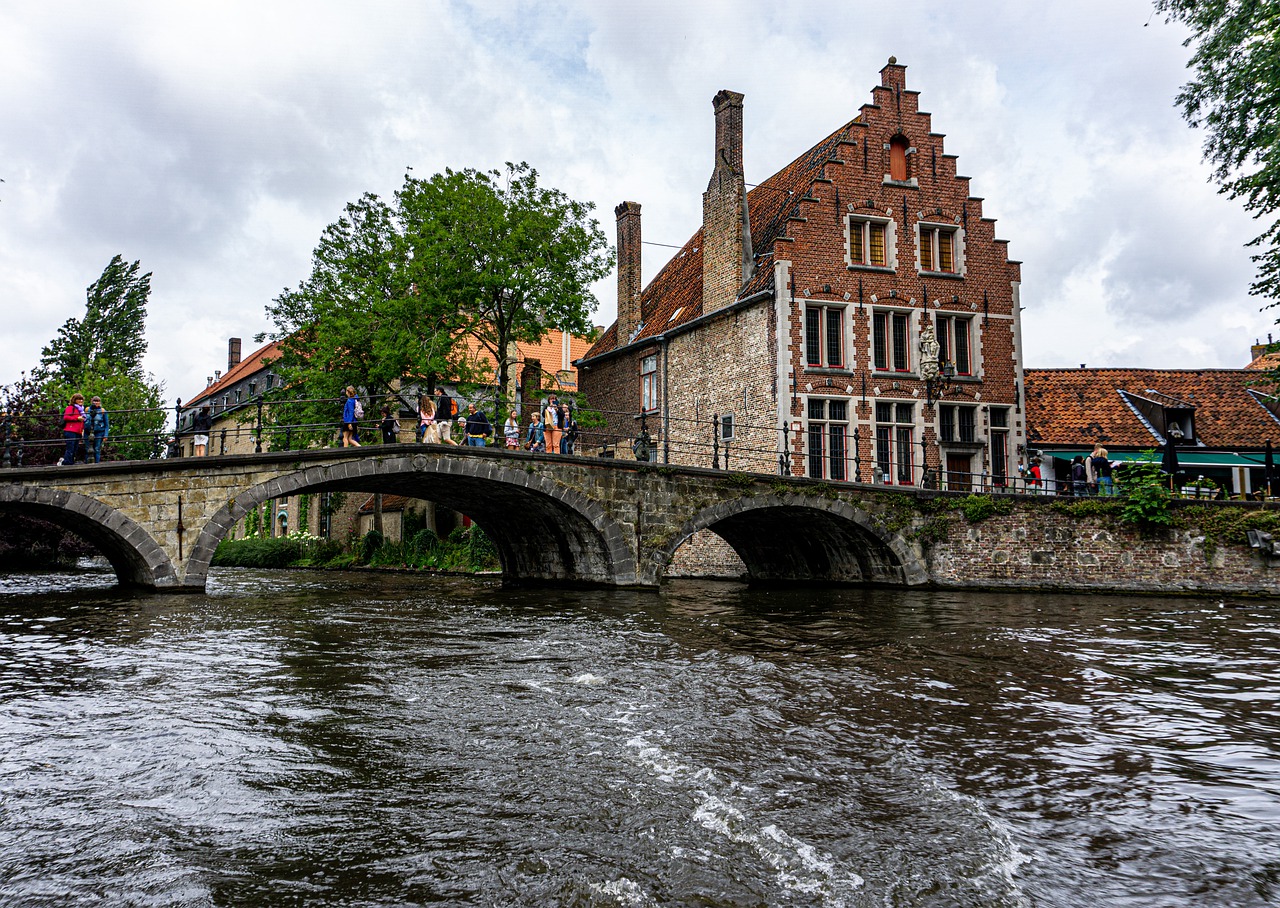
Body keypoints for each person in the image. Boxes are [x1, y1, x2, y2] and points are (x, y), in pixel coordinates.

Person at [60, 393, 86, 465]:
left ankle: (70, 462)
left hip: (78, 431)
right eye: (78, 399)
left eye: (81, 399)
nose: (80, 401)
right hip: (70, 430)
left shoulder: (81, 410)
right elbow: (66, 417)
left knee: (75, 448)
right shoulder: (71, 408)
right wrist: (77, 418)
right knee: (70, 447)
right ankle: (67, 463)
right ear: (75, 400)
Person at [85, 396, 110, 463]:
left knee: (97, 449)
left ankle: (97, 463)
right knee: (87, 449)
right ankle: (87, 464)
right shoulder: (87, 409)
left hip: (99, 432)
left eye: (97, 401)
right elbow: (84, 420)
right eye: (94, 401)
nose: (96, 402)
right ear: (91, 401)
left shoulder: (102, 411)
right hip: (87, 431)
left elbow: (106, 424)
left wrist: (106, 435)